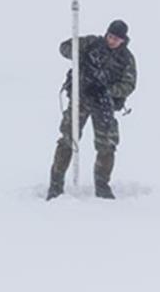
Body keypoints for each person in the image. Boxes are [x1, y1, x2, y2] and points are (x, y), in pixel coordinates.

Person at [46, 19, 137, 200]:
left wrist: (106, 90)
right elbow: (64, 48)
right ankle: (55, 186)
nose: (112, 41)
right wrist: (80, 54)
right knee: (67, 140)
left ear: (123, 40)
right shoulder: (92, 43)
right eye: (110, 36)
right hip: (80, 99)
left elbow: (129, 84)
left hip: (104, 104)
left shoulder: (126, 58)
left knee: (107, 145)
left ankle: (102, 186)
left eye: (117, 39)